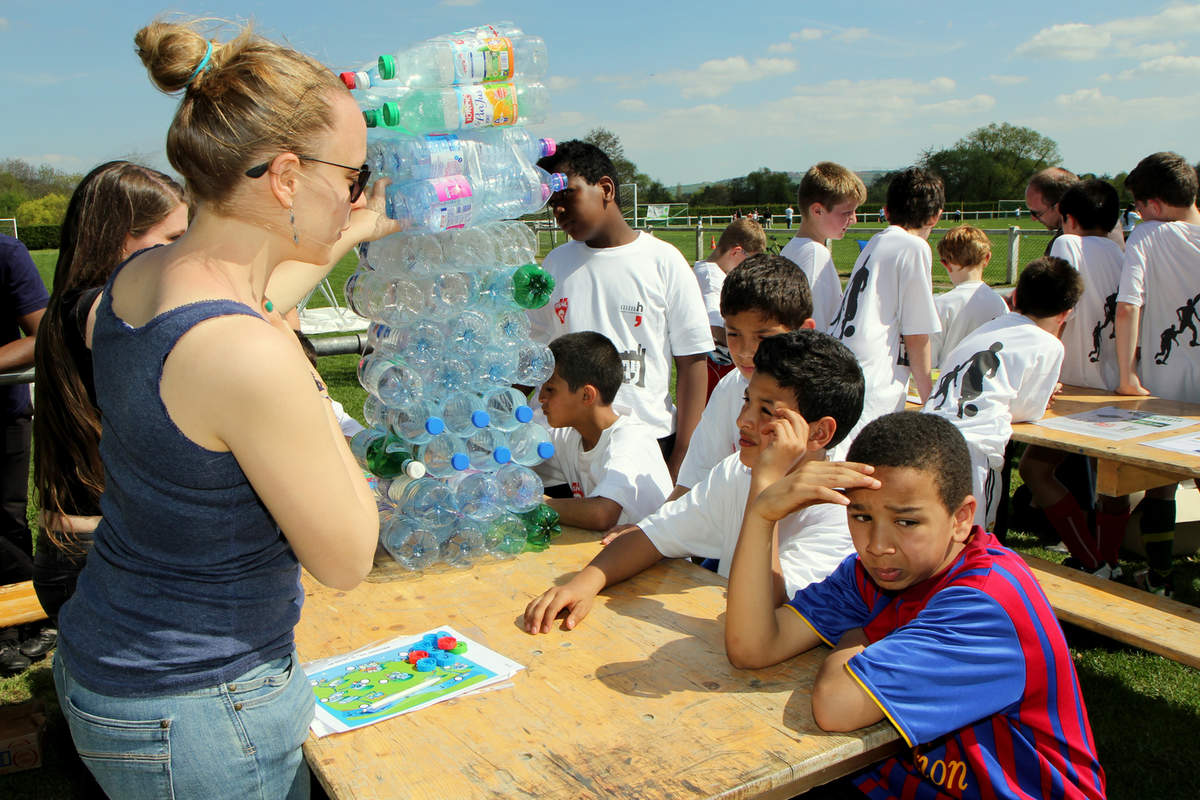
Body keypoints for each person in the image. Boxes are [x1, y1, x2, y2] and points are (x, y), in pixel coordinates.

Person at [53, 19, 394, 798]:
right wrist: (308, 386)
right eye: (351, 175)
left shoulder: (139, 281)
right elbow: (346, 560)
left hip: (117, 660)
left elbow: (250, 302)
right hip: (199, 709)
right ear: (283, 177)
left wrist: (356, 228)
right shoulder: (246, 355)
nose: (354, 192)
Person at [724, 412, 1106, 800]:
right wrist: (762, 513)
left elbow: (836, 705)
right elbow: (752, 646)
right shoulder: (874, 573)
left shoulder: (986, 602)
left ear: (961, 519)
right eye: (861, 516)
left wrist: (863, 634)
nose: (877, 545)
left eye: (906, 523)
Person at [524, 330, 863, 634]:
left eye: (767, 412)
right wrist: (585, 582)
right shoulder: (736, 472)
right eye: (747, 401)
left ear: (819, 433)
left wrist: (765, 492)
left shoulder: (839, 515)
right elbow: (653, 535)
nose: (743, 421)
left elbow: (765, 613)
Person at [32, 162, 188, 637]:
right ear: (122, 238)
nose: (180, 255)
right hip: (96, 553)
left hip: (84, 548)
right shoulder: (101, 309)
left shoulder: (72, 304)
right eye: (169, 239)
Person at [533, 141, 713, 480]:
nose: (558, 212)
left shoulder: (664, 261)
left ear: (605, 189)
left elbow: (692, 362)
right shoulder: (556, 264)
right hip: (564, 450)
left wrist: (683, 455)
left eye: (567, 196)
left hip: (646, 444)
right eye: (551, 203)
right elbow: (532, 357)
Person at [924, 257, 1081, 529]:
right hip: (973, 447)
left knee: (932, 532)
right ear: (1065, 313)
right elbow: (1027, 411)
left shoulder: (987, 328)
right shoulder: (1049, 344)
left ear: (1015, 296)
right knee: (972, 537)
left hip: (927, 434)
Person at [1020, 180, 1125, 578]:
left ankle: (1094, 561)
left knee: (1034, 471)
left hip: (1073, 384)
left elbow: (1058, 312)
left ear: (1069, 217)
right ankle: (1107, 561)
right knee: (1113, 482)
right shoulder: (1120, 252)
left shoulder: (1068, 245)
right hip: (1113, 383)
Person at [1113, 151, 1200, 596]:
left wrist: (1127, 375)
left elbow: (1128, 306)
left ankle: (1161, 576)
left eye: (1139, 206)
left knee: (1161, 483)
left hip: (1165, 380)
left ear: (1155, 205)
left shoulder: (1148, 235)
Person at [673, 253, 814, 498]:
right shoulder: (730, 387)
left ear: (803, 331)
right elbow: (692, 483)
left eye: (763, 338)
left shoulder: (821, 395)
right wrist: (653, 526)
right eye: (734, 335)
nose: (746, 352)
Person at [829, 166, 942, 456]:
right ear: (935, 216)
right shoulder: (913, 246)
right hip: (871, 379)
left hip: (846, 367)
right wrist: (931, 399)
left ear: (887, 211)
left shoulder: (877, 242)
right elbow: (917, 333)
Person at [534, 332, 672, 530]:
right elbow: (523, 463)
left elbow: (602, 514)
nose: (540, 398)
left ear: (586, 395)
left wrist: (533, 507)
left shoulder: (630, 440)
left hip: (663, 560)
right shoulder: (570, 436)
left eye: (550, 390)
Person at [0, 234, 48, 674]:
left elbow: (42, 332)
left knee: (5, 520)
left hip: (4, 413)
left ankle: (18, 625)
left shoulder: (5, 253)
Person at [779, 161, 866, 331]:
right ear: (817, 211)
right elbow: (813, 330)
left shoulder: (793, 248)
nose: (854, 220)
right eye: (847, 212)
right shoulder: (815, 253)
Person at [692, 217, 766, 367]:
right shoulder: (712, 279)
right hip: (717, 365)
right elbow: (713, 326)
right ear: (737, 252)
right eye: (750, 262)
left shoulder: (703, 269)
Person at [930, 225, 1007, 369]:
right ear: (987, 258)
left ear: (945, 264)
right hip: (987, 383)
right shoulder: (1000, 303)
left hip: (948, 383)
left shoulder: (940, 304)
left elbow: (929, 358)